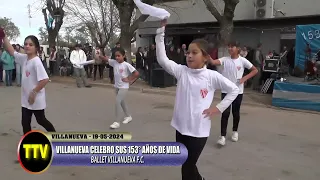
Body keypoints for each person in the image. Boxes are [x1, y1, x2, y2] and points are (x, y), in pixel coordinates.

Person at [156, 20, 239, 180]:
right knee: (186, 164)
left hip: (198, 132)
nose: (189, 56)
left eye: (194, 53)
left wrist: (219, 108)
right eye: (188, 52)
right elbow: (162, 59)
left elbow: (234, 90)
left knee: (188, 166)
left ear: (206, 57)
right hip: (180, 128)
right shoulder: (182, 72)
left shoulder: (212, 77)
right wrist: (160, 32)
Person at [0, 28, 56, 135]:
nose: (27, 46)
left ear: (36, 48)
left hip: (36, 98)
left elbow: (44, 79)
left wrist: (34, 92)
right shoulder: (24, 58)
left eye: (31, 44)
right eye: (25, 44)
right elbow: (12, 51)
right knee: (25, 122)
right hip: (26, 99)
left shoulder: (36, 62)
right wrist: (4, 36)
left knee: (41, 120)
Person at [210, 41, 258, 146]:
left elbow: (255, 70)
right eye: (229, 47)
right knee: (225, 113)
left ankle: (235, 131)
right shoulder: (225, 60)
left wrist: (244, 78)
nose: (230, 49)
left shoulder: (242, 61)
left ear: (238, 49)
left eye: (232, 47)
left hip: (237, 91)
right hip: (225, 91)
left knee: (235, 112)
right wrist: (206, 55)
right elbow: (213, 62)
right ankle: (222, 136)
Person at [100, 48, 139, 129]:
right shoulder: (114, 63)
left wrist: (129, 79)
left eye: (119, 56)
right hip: (117, 86)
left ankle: (117, 122)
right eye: (116, 56)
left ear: (123, 56)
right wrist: (100, 56)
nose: (117, 57)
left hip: (124, 87)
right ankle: (128, 116)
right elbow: (106, 59)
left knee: (118, 101)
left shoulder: (126, 65)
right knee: (122, 102)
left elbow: (136, 73)